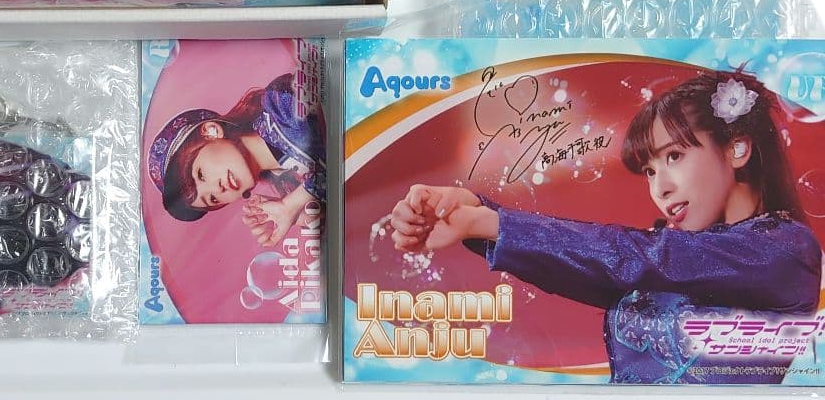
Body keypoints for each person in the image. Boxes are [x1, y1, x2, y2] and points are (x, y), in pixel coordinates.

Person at [389, 70, 822, 384]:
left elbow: (639, 258)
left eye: (674, 156)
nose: (661, 188)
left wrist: (493, 222)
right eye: (649, 171)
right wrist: (477, 218)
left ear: (737, 149)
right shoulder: (670, 253)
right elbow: (594, 263)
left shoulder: (785, 252)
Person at [148, 74, 326, 247]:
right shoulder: (289, 186)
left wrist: (291, 204)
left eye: (201, 175)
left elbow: (336, 155)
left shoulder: (278, 101)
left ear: (211, 131)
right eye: (212, 199)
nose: (218, 189)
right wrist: (298, 216)